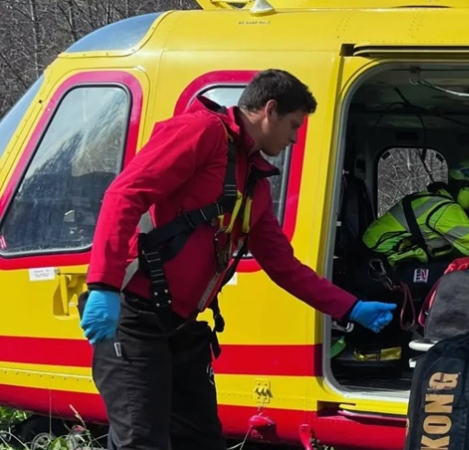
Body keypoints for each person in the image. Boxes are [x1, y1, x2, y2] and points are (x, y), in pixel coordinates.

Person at [78, 69, 395, 450]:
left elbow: (284, 267)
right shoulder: (201, 132)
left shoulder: (253, 183)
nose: (294, 138)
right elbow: (125, 195)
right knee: (141, 442)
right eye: (294, 125)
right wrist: (104, 285)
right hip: (134, 316)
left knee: (201, 441)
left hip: (179, 326)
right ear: (270, 110)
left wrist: (350, 307)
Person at [362, 156, 469, 270]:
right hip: (378, 268)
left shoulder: (437, 201)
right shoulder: (444, 209)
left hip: (379, 262)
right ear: (468, 193)